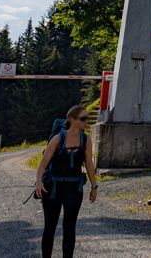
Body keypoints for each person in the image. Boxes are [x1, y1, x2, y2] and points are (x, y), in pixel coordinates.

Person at [34, 105, 98, 258]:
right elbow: (43, 163)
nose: (85, 121)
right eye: (82, 119)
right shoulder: (57, 139)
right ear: (72, 120)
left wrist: (94, 186)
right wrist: (38, 182)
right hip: (53, 189)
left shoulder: (86, 140)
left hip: (74, 189)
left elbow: (89, 164)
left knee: (69, 228)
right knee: (50, 227)